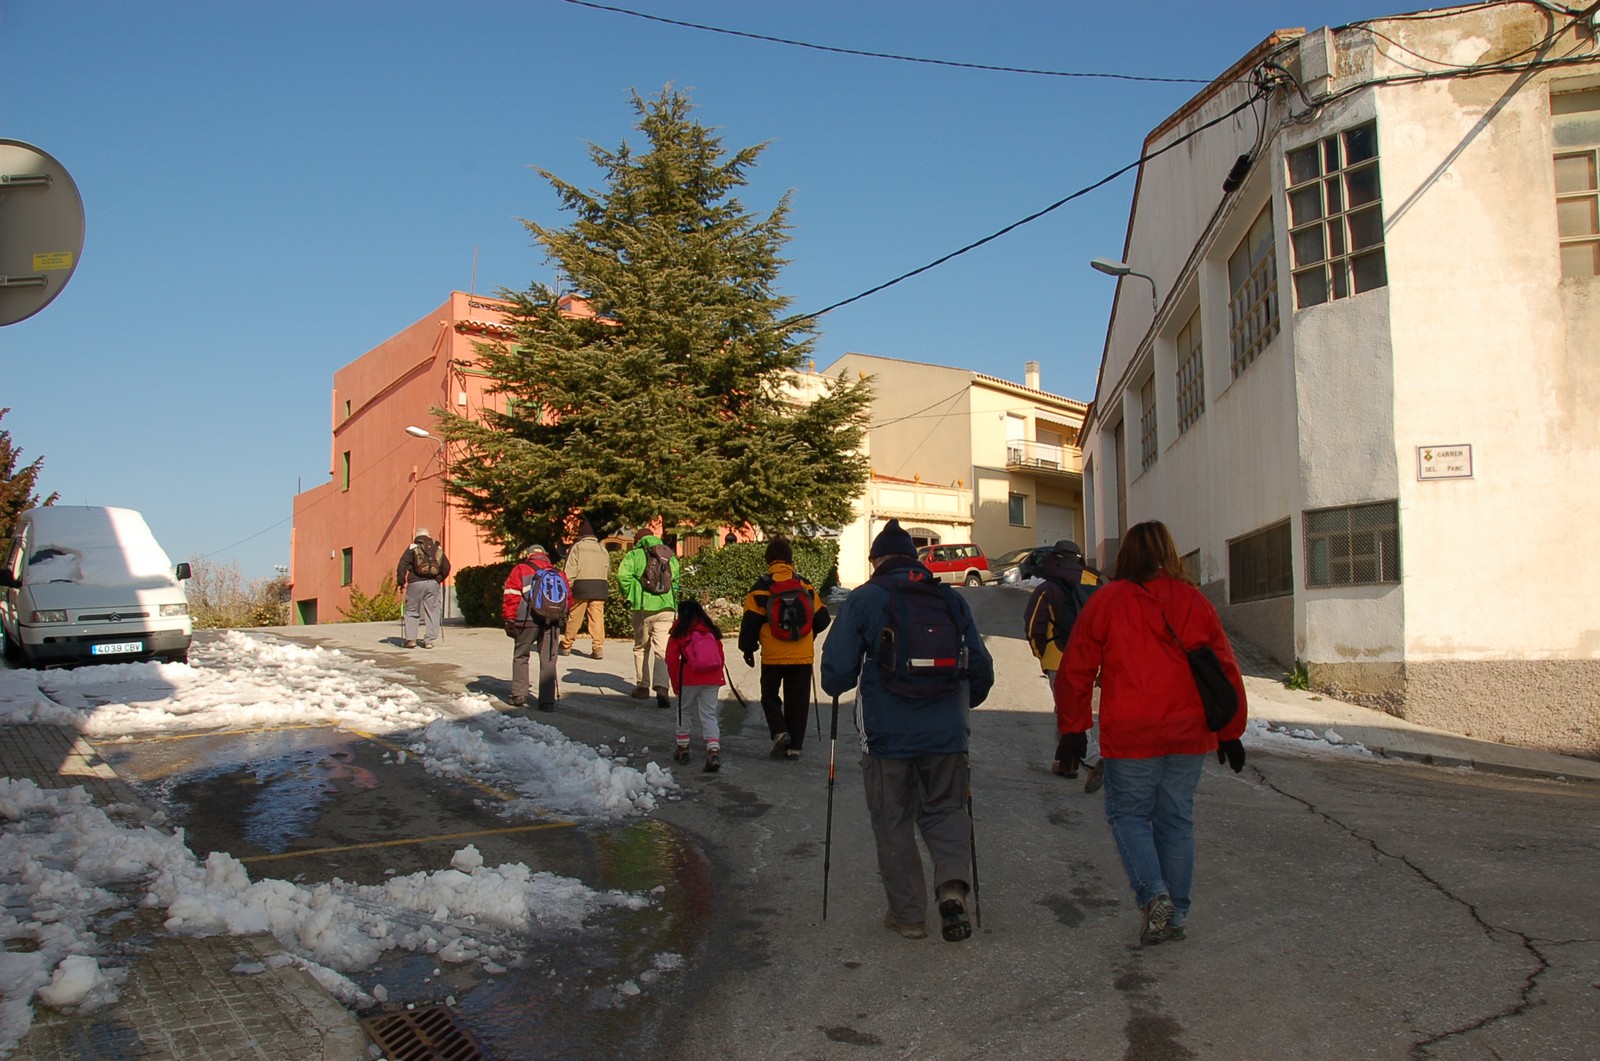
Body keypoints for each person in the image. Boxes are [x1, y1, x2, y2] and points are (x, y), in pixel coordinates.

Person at [1053, 520, 1248, 947]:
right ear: (1169, 552)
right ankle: (1176, 916)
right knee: (1175, 820)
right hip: (1187, 731)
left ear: (1127, 555)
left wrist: (1074, 728)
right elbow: (1225, 670)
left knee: (1128, 816)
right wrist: (1230, 732)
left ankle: (1154, 894)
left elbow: (1076, 669)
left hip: (1131, 733)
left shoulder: (1107, 601)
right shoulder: (1195, 602)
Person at [820, 519, 995, 943]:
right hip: (947, 734)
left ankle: (909, 915)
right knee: (946, 810)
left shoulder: (865, 599)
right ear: (915, 560)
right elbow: (981, 669)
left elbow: (835, 674)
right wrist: (958, 708)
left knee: (893, 819)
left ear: (877, 561)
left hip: (886, 736)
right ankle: (951, 887)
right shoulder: (949, 599)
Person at [738, 538, 831, 761]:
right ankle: (794, 748)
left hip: (773, 655)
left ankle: (780, 732)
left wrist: (748, 649)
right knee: (798, 700)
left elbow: (750, 624)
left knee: (769, 695)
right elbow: (823, 619)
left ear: (768, 559)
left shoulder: (760, 588)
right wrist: (808, 635)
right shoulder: (805, 585)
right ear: (790, 559)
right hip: (802, 655)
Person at [1024, 540, 1104, 792]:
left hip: (1058, 657)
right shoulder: (1096, 584)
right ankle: (1067, 763)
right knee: (1078, 707)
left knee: (1068, 712)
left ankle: (1094, 758)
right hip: (1092, 658)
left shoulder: (1047, 589)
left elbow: (1034, 627)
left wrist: (1042, 655)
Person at [616, 524, 679, 710]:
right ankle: (662, 687)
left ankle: (643, 687)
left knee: (641, 647)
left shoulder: (634, 555)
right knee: (663, 649)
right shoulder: (669, 554)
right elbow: (675, 580)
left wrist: (630, 594)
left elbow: (622, 576)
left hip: (643, 607)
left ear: (637, 541)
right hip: (667, 608)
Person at [501, 544, 569, 712]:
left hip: (527, 620)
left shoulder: (521, 569)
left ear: (528, 555)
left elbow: (511, 596)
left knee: (521, 655)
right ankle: (547, 701)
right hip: (552, 621)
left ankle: (519, 695)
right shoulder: (558, 573)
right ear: (545, 555)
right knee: (548, 660)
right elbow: (568, 598)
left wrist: (509, 618)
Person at [666, 599, 727, 773]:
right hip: (712, 677)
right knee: (709, 713)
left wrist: (676, 684)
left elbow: (671, 660)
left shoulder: (679, 631)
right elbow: (720, 657)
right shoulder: (711, 629)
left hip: (688, 677)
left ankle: (683, 748)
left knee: (684, 711)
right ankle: (713, 750)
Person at [560, 519, 609, 660]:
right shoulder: (602, 548)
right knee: (597, 618)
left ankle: (566, 644)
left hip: (581, 585)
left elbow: (570, 569)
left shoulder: (578, 547)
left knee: (575, 616)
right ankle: (598, 647)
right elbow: (607, 569)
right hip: (600, 585)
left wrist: (567, 586)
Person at [396, 528, 450, 648]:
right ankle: (429, 640)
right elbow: (446, 566)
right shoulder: (437, 548)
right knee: (433, 611)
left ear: (416, 537)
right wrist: (438, 579)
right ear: (428, 536)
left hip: (415, 583)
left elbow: (402, 566)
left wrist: (401, 582)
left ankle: (411, 640)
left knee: (412, 610)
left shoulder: (412, 548)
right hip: (433, 584)